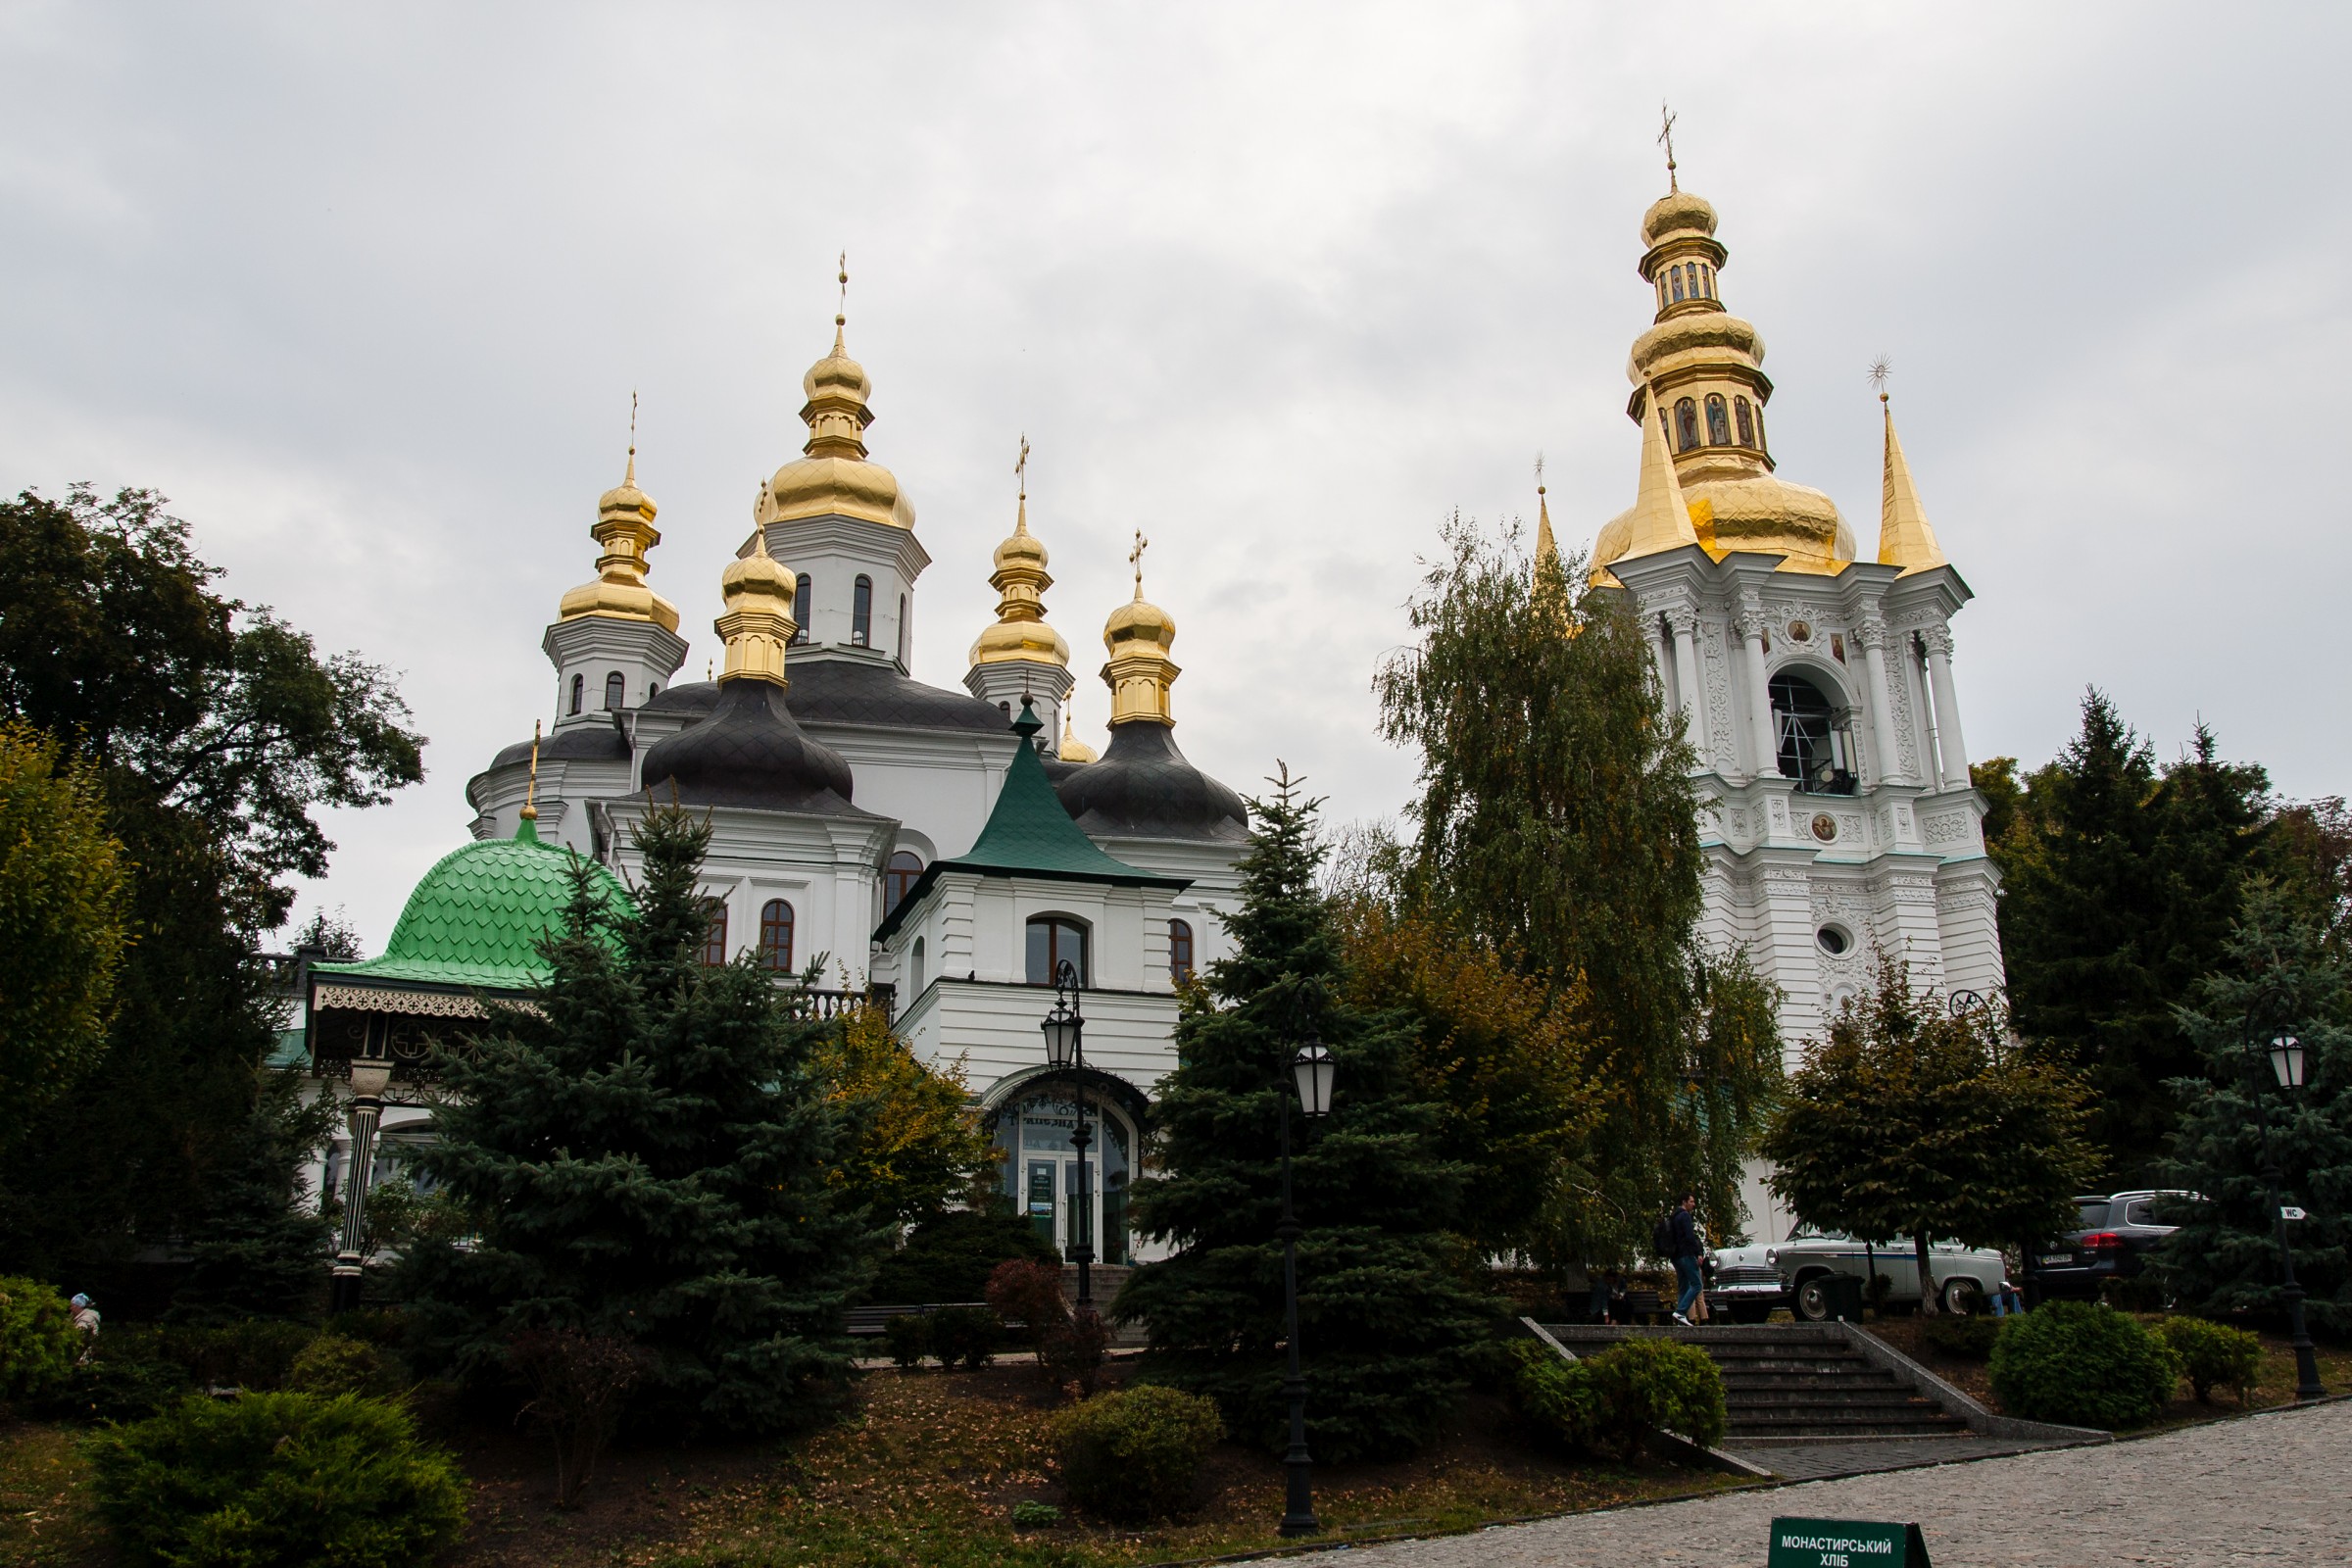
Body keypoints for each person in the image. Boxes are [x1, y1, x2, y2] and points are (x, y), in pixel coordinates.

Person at [1668, 1195, 1704, 1326]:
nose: (1693, 1204)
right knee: (1697, 1284)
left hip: (1676, 1256)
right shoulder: (1684, 1216)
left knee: (1683, 1287)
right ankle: (1681, 1312)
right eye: (1691, 1201)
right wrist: (1698, 1253)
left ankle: (1679, 1321)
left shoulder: (1674, 1217)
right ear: (1684, 1202)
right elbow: (1690, 1237)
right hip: (1686, 1254)